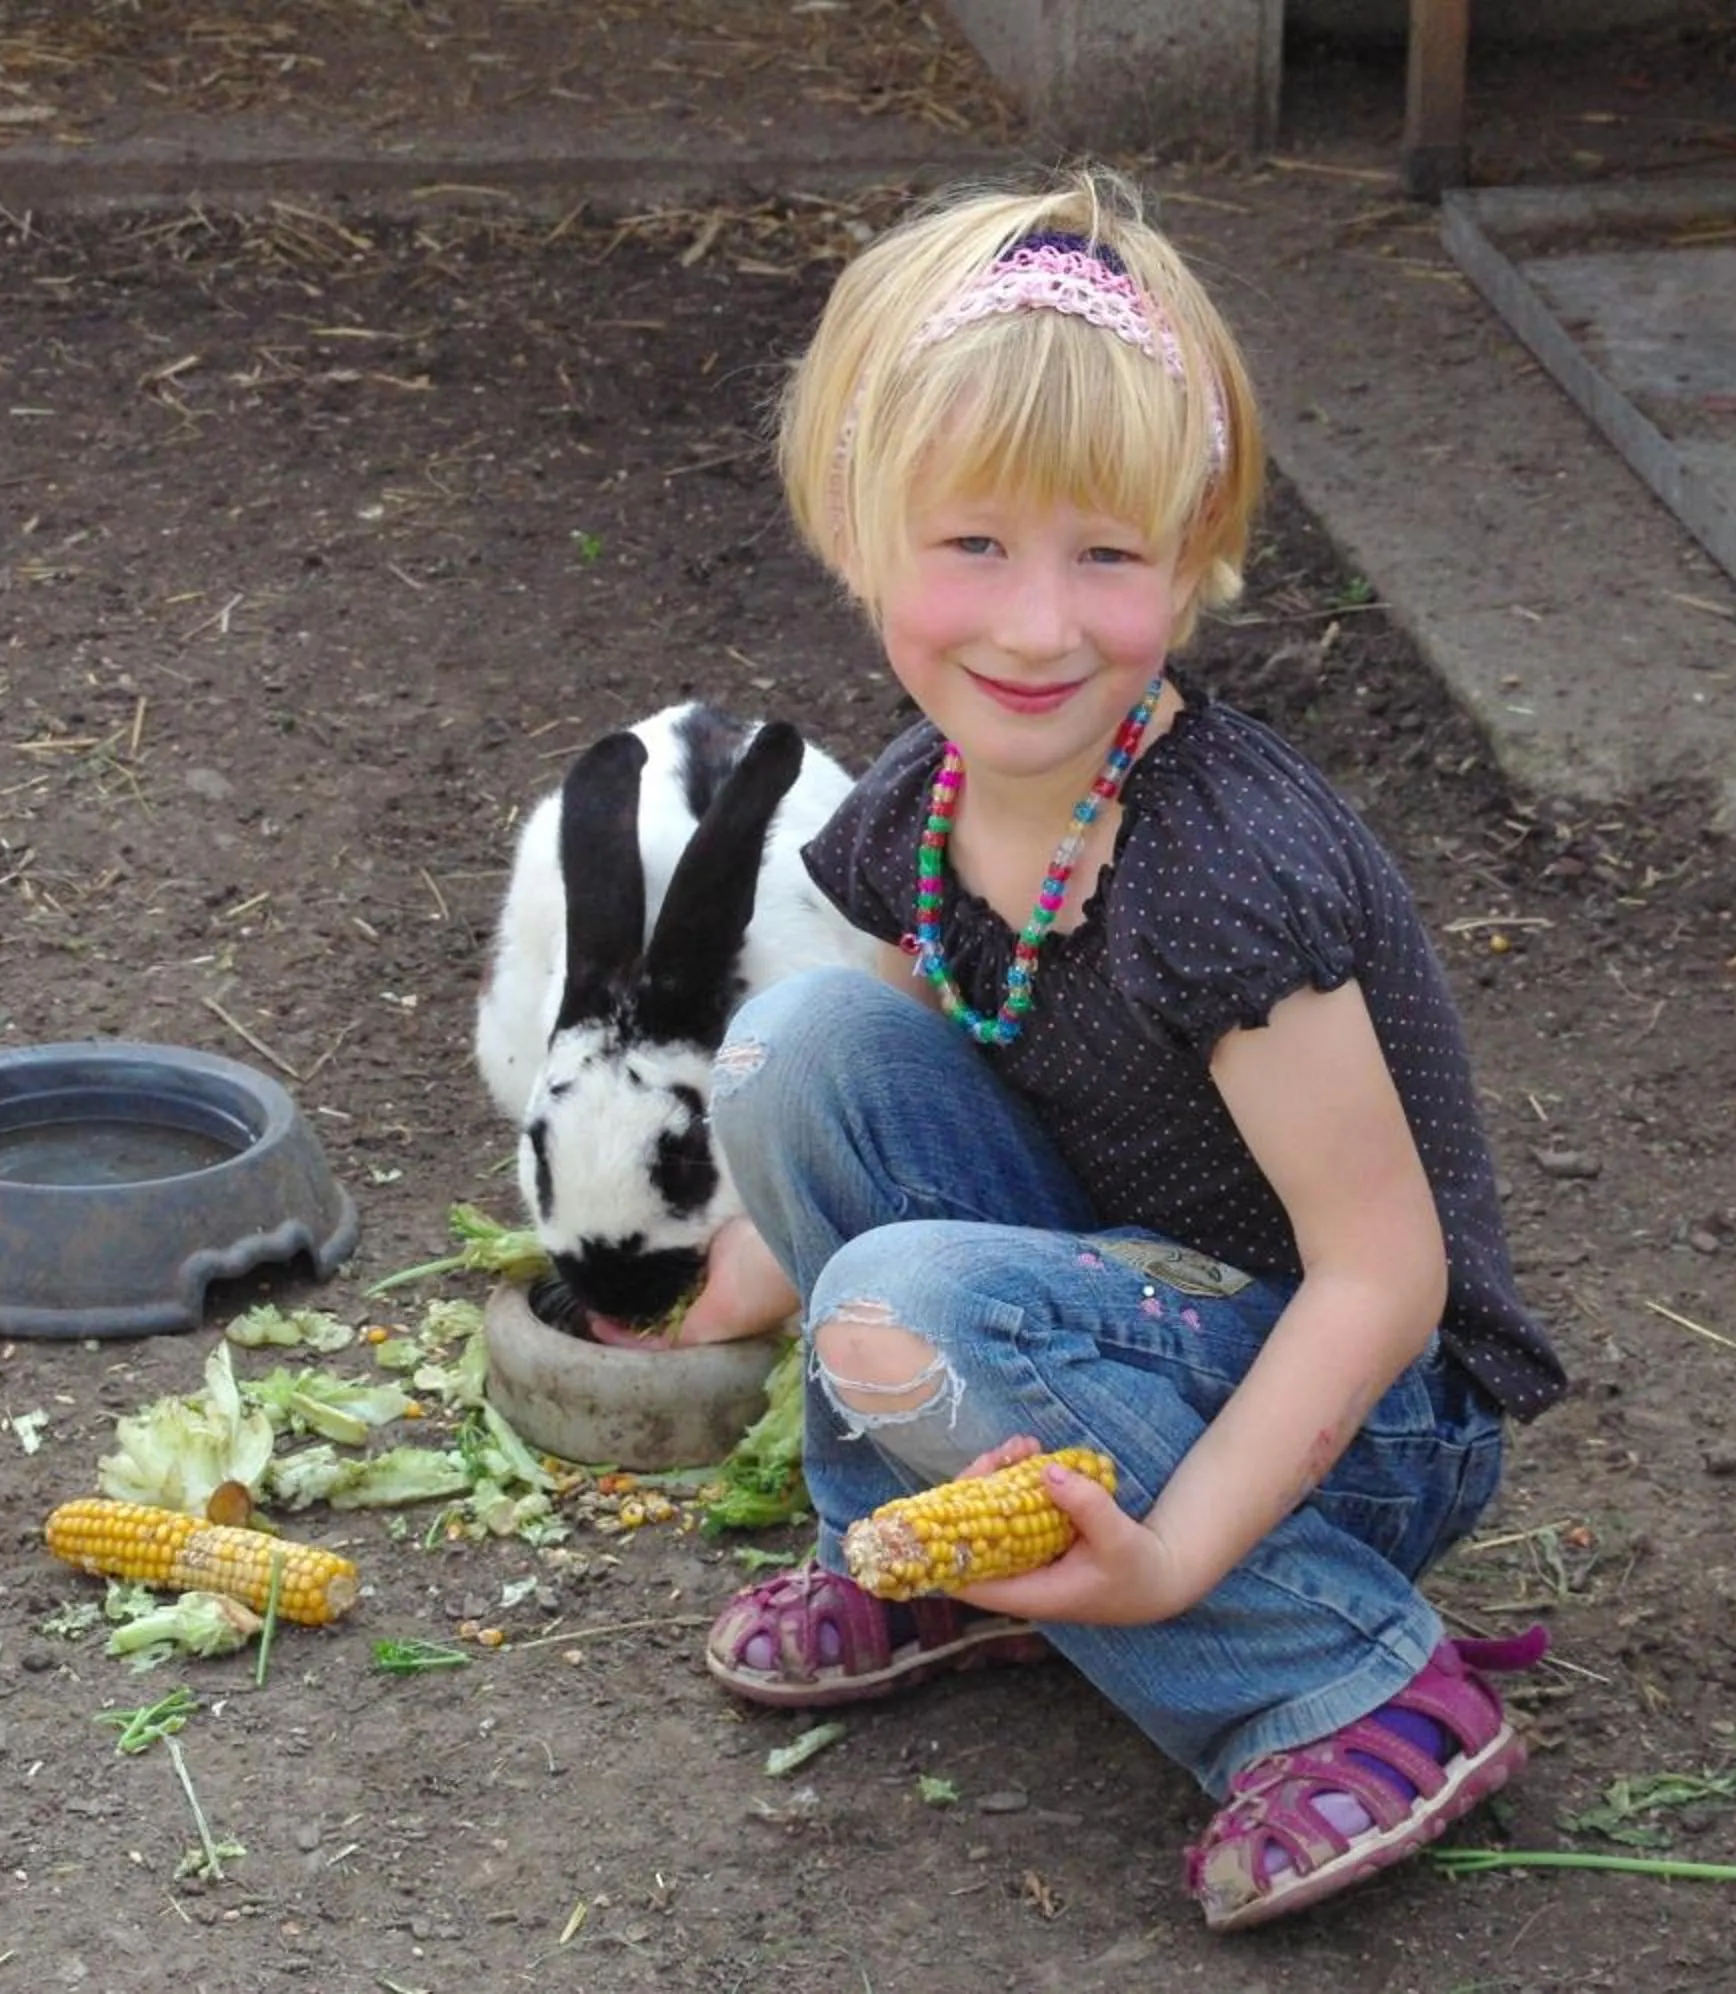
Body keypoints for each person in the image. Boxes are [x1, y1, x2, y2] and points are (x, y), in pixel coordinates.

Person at [658, 165, 1570, 1933]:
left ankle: (1343, 1679)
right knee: (790, 1046)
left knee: (900, 1303)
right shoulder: (915, 813)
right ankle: (943, 1565)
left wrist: (1180, 1554)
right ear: (858, 528)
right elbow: (878, 1112)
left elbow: (1386, 1272)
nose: (1036, 623)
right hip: (1109, 1321)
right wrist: (704, 1290)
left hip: (1363, 1406)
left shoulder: (1220, 870)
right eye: (975, 542)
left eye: (1106, 554)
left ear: (1194, 555)